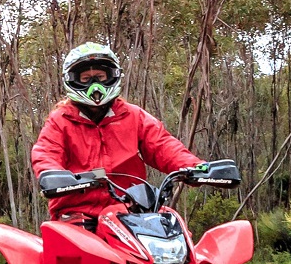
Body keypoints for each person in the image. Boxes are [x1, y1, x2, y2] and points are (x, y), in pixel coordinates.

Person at [30, 43, 204, 225]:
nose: (94, 85)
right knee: (72, 249)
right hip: (78, 213)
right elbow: (46, 152)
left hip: (130, 211)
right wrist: (52, 175)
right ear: (73, 80)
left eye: (99, 77)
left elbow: (163, 146)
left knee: (173, 238)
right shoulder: (61, 120)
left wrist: (195, 167)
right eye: (86, 78)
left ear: (112, 76)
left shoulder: (133, 116)